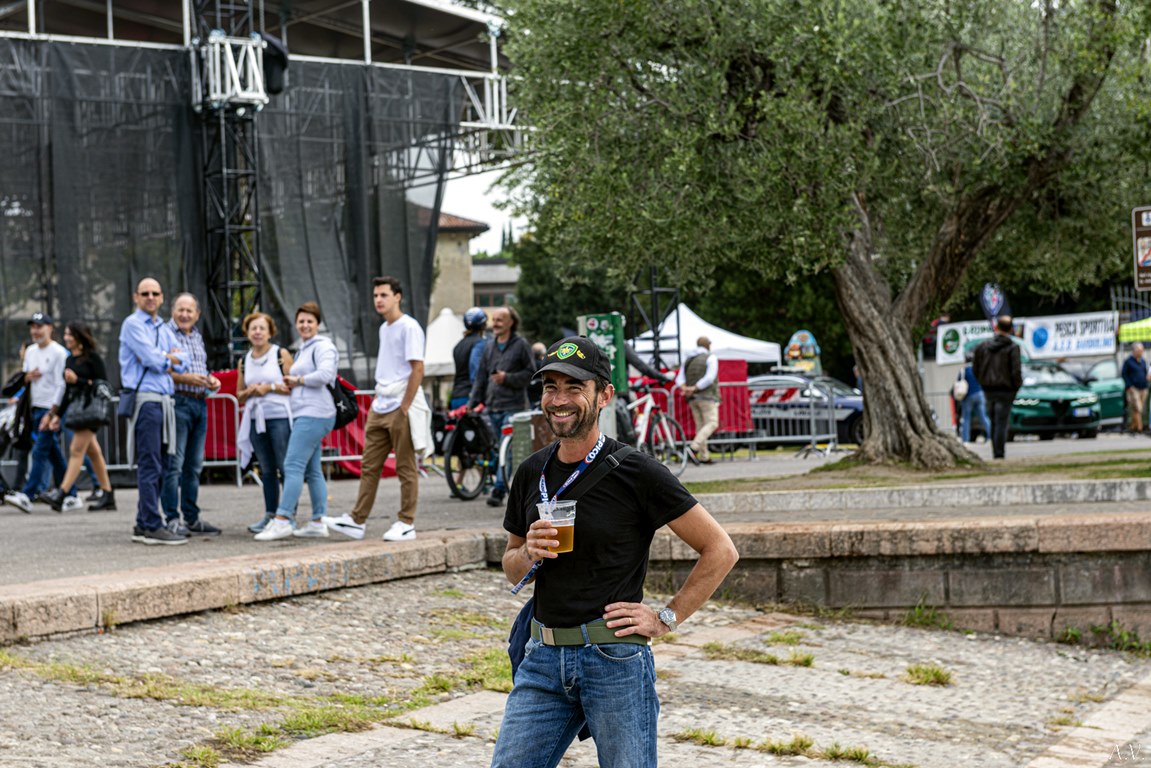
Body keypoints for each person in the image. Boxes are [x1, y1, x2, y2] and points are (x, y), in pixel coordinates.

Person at [491, 336, 739, 767]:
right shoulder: (532, 471)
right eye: (551, 387)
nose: (559, 400)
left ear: (604, 395)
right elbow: (511, 567)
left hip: (613, 658)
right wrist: (528, 552)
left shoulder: (637, 471)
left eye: (574, 388)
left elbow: (720, 549)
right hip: (542, 657)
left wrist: (666, 617)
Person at [323, 276, 428, 542]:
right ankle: (357, 520)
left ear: (397, 297)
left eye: (383, 295)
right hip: (380, 404)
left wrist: (404, 407)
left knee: (405, 467)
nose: (378, 300)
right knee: (369, 466)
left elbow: (418, 368)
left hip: (400, 404)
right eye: (375, 295)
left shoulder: (409, 327)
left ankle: (406, 522)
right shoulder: (384, 328)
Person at [254, 302, 337, 541]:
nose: (305, 325)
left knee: (292, 465)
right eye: (301, 321)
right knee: (312, 470)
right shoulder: (304, 348)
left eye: (310, 321)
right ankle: (318, 521)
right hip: (308, 413)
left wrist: (298, 380)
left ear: (318, 324)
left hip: (314, 413)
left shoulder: (323, 346)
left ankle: (282, 519)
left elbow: (326, 374)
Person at [120, 278, 187, 544]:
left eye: (155, 293)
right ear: (136, 297)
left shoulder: (163, 327)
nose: (150, 297)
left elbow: (183, 360)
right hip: (146, 401)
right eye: (145, 293)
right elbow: (153, 360)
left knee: (165, 463)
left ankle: (143, 522)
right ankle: (151, 523)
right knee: (151, 463)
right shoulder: (132, 324)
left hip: (165, 400)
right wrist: (167, 357)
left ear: (161, 298)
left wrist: (165, 357)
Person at [161, 293, 223, 536]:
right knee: (174, 465)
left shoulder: (197, 336)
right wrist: (187, 379)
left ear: (197, 315)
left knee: (194, 465)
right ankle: (171, 518)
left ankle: (192, 518)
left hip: (199, 402)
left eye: (189, 311)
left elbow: (200, 369)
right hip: (178, 401)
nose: (185, 314)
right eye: (180, 309)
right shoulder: (165, 334)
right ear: (172, 311)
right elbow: (160, 369)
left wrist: (210, 381)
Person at [39, 323, 116, 512]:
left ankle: (62, 493)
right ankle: (108, 495)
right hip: (77, 411)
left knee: (75, 450)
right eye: (65, 334)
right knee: (94, 453)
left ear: (80, 337)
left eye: (70, 335)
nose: (66, 338)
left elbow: (103, 385)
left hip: (92, 411)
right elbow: (67, 392)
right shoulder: (69, 360)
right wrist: (56, 415)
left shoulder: (93, 358)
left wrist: (79, 380)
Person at [467, 306, 535, 507]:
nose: (494, 323)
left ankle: (498, 490)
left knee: (508, 449)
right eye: (493, 319)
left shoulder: (521, 345)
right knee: (500, 449)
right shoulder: (489, 347)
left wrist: (508, 378)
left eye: (499, 320)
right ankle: (506, 483)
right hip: (493, 406)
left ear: (511, 323)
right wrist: (472, 402)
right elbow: (481, 377)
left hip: (514, 407)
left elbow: (531, 373)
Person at [235, 312, 295, 533]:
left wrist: (269, 387)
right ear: (247, 333)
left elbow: (293, 385)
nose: (258, 332)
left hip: (279, 417)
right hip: (255, 419)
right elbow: (239, 394)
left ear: (270, 332)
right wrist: (250, 391)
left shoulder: (280, 354)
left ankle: (287, 515)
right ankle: (270, 514)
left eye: (262, 328)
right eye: (253, 328)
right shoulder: (244, 361)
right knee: (267, 469)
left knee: (285, 466)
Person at [3, 313, 68, 514]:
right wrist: (26, 378)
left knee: (39, 451)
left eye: (39, 327)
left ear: (50, 328)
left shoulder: (58, 353)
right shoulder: (31, 351)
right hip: (34, 407)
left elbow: (61, 384)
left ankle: (28, 494)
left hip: (50, 408)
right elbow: (25, 378)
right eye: (33, 327)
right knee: (54, 454)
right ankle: (70, 492)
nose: (35, 331)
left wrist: (54, 412)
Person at [973, 315, 1022, 460]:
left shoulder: (983, 347)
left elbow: (976, 368)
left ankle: (996, 450)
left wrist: (982, 381)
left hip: (988, 388)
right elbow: (1016, 371)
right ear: (1011, 329)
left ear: (996, 327)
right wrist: (1016, 386)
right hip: (1006, 390)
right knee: (1001, 422)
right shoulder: (1012, 348)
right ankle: (999, 452)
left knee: (994, 420)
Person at [675, 336, 720, 465]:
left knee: (701, 426)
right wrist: (695, 388)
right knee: (712, 423)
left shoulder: (689, 359)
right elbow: (710, 378)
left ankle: (704, 456)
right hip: (706, 396)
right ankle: (694, 448)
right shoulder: (711, 357)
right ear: (708, 345)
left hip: (692, 398)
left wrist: (685, 388)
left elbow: (679, 379)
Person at [450, 307, 488, 410]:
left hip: (456, 396)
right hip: (470, 397)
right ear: (483, 325)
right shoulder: (480, 343)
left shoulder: (458, 346)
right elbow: (475, 371)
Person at [959, 354, 991, 444]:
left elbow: (959, 381)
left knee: (966, 418)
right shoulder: (978, 369)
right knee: (983, 417)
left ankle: (965, 439)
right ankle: (991, 436)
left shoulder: (964, 371)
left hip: (968, 396)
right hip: (980, 394)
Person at [1122, 343, 1148, 434]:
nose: (1141, 352)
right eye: (1139, 350)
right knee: (1138, 408)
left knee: (1136, 410)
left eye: (1142, 350)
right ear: (1134, 351)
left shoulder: (1143, 361)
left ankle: (1133, 427)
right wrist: (1129, 386)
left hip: (1143, 388)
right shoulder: (1128, 362)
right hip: (1134, 389)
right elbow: (1124, 374)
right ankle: (1140, 428)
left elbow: (1145, 373)